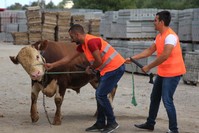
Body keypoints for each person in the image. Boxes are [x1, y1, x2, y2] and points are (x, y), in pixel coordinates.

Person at [45, 24, 125, 133]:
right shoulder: (83, 45)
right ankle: (100, 123)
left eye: (72, 37)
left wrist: (90, 68)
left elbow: (98, 61)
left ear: (77, 34)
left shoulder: (91, 42)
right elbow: (68, 58)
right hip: (107, 69)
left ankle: (112, 122)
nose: (72, 40)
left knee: (100, 95)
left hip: (115, 68)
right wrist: (52, 65)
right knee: (100, 95)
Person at [125, 11, 186, 133]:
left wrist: (148, 67)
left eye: (155, 20)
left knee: (167, 100)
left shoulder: (170, 36)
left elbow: (164, 56)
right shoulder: (159, 36)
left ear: (161, 22)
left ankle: (173, 129)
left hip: (173, 73)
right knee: (154, 97)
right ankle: (150, 123)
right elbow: (149, 51)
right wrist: (133, 58)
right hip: (163, 73)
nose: (154, 22)